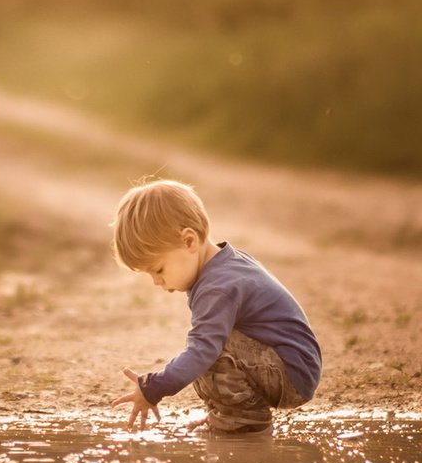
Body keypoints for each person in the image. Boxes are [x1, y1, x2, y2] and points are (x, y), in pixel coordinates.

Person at [109, 179, 321, 433]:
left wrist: (153, 388)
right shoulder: (223, 265)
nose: (156, 282)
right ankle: (227, 414)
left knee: (203, 352)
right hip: (288, 365)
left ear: (189, 242)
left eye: (158, 270)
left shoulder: (218, 286)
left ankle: (243, 422)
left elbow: (203, 351)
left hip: (290, 372)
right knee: (202, 348)